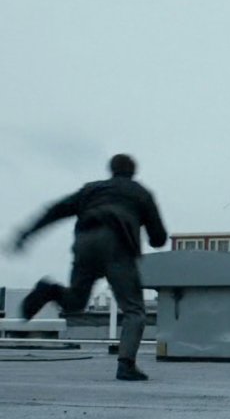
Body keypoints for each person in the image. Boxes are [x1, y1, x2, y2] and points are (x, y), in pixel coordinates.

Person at [13, 154, 167, 381]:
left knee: (75, 302)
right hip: (118, 245)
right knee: (134, 310)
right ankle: (126, 365)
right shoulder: (140, 193)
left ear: (111, 170)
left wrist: (27, 234)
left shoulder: (91, 190)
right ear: (133, 171)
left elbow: (55, 211)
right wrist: (152, 236)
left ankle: (51, 290)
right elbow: (158, 237)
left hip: (86, 240)